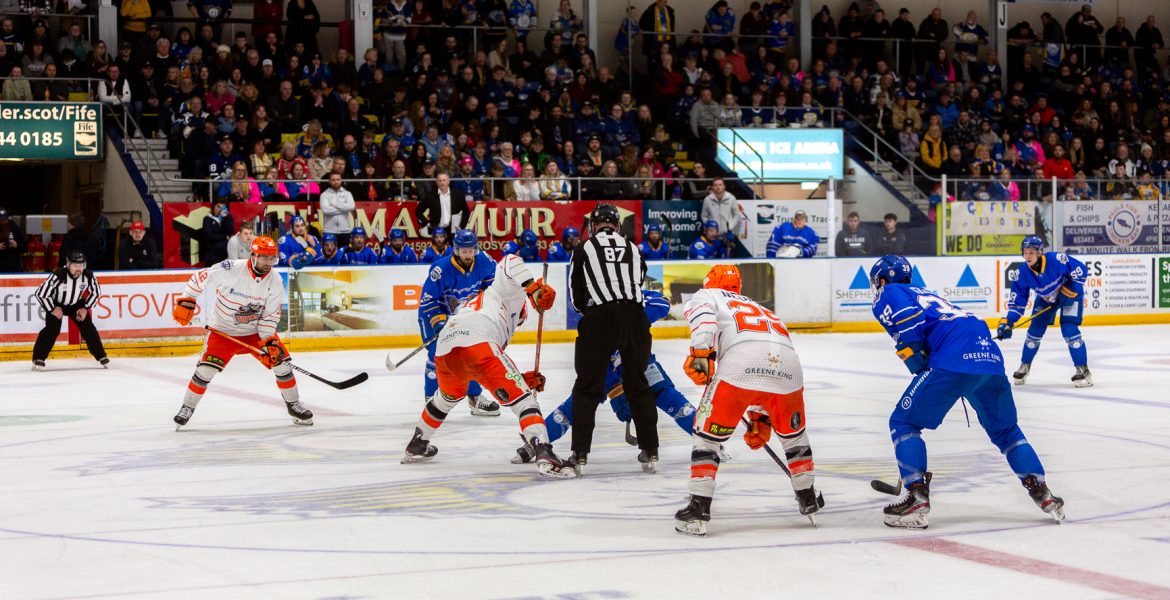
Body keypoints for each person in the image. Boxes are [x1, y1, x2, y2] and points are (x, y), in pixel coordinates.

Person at [869, 255, 1065, 528]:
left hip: (953, 360)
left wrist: (916, 360)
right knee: (1006, 431)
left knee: (903, 422)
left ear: (881, 280)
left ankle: (916, 495)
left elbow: (909, 324)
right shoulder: (927, 293)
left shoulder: (889, 292)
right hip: (989, 360)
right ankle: (1041, 491)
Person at [674, 265, 821, 536]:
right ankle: (807, 496)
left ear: (709, 283)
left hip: (738, 368)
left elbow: (703, 318)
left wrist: (701, 353)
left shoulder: (708, 295)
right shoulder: (763, 309)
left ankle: (698, 506)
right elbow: (767, 360)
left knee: (707, 438)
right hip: (789, 371)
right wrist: (761, 418)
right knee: (794, 439)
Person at [402, 252, 574, 477]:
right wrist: (532, 288)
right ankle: (544, 451)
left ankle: (417, 443)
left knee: (446, 398)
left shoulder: (484, 308)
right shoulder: (508, 293)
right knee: (524, 400)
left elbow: (481, 368)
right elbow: (510, 260)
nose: (520, 321)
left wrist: (519, 379)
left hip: (446, 347)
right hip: (478, 339)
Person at [525, 291, 698, 461]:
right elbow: (592, 357)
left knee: (668, 397)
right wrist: (616, 389)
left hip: (639, 362)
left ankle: (706, 439)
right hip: (605, 366)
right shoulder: (593, 305)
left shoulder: (631, 295)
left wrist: (633, 318)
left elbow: (662, 303)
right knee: (577, 404)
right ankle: (536, 444)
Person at [171, 236, 314, 428]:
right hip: (223, 331)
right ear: (253, 256)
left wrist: (269, 341)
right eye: (264, 257)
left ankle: (294, 404)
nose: (268, 263)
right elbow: (199, 278)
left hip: (255, 333)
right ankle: (187, 407)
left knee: (283, 366)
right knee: (205, 370)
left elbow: (269, 317)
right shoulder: (230, 269)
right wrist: (187, 300)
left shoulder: (276, 281)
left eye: (272, 258)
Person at [568, 203, 657, 473]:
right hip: (635, 318)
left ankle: (580, 453)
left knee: (587, 388)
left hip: (600, 317)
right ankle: (650, 450)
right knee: (638, 384)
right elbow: (638, 281)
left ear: (593, 226)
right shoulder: (634, 248)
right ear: (617, 226)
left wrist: (594, 315)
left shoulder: (583, 248)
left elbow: (576, 296)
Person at [416, 229, 502, 417]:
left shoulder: (485, 261)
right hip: (434, 315)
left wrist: (481, 306)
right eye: (464, 251)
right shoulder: (440, 269)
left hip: (462, 316)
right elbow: (428, 300)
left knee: (471, 353)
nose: (468, 255)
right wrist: (440, 324)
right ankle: (430, 399)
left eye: (470, 250)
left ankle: (475, 398)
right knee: (436, 354)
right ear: (456, 250)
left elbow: (492, 287)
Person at [997, 237, 1091, 387]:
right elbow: (1018, 302)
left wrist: (1066, 294)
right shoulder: (1021, 273)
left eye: (1031, 252)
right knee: (1033, 333)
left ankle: (1083, 370)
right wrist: (1008, 322)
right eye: (1025, 252)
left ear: (1040, 252)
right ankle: (1025, 366)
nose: (1027, 256)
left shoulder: (1056, 259)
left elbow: (1081, 271)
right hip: (1046, 299)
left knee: (1070, 331)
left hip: (1071, 297)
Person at [32, 251, 108, 370]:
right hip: (57, 304)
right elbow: (41, 293)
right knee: (52, 329)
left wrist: (85, 308)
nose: (78, 268)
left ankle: (101, 356)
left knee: (88, 327)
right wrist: (52, 309)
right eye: (75, 265)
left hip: (76, 304)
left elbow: (96, 293)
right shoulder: (59, 275)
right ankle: (38, 358)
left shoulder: (88, 275)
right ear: (68, 265)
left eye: (81, 265)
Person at [319, 172, 355, 249]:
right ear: (329, 181)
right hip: (329, 231)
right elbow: (326, 210)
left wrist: (335, 205)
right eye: (333, 180)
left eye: (338, 179)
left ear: (341, 180)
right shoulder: (324, 194)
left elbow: (351, 207)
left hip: (345, 231)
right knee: (329, 253)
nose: (336, 182)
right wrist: (344, 209)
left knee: (344, 254)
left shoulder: (347, 194)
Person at [0, 207, 25, 272]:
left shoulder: (16, 229)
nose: (2, 222)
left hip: (14, 268)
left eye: (4, 220)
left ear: (8, 218)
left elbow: (25, 247)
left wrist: (17, 245)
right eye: (0, 220)